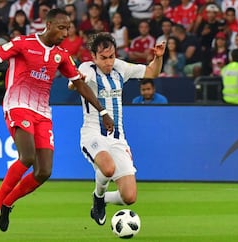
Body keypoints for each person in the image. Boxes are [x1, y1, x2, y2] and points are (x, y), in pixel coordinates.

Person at [0, 8, 114, 232]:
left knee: (44, 171)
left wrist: (103, 111)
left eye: (68, 28)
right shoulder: (23, 43)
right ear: (48, 26)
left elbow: (80, 84)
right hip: (18, 104)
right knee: (27, 157)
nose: (65, 33)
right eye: (61, 27)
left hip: (42, 113)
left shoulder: (61, 55)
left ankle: (8, 203)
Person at [68, 32, 166, 226]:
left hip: (118, 138)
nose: (108, 62)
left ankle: (102, 199)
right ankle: (98, 197)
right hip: (93, 133)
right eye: (103, 58)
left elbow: (152, 73)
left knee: (129, 197)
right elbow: (75, 85)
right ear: (94, 57)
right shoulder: (86, 68)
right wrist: (75, 81)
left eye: (111, 57)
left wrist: (159, 58)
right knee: (108, 167)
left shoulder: (121, 68)